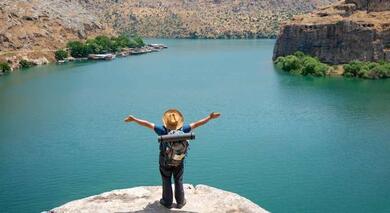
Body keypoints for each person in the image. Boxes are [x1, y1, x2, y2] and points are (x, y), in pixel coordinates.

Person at [124, 109, 221, 209]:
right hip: (179, 160)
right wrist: (210, 117)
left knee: (166, 179)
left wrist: (134, 119)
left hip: (164, 160)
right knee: (178, 179)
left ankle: (167, 202)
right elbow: (197, 124)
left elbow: (147, 124)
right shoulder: (184, 129)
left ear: (166, 122)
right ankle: (180, 202)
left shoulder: (162, 130)